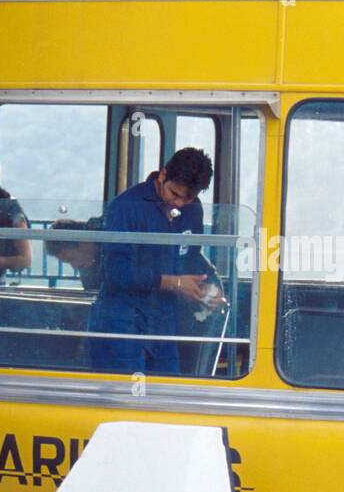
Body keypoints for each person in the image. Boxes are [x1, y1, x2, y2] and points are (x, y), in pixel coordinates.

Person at [88, 148, 223, 374]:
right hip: (122, 322)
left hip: (163, 324)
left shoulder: (193, 210)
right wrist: (174, 283)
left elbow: (190, 257)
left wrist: (203, 286)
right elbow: (116, 270)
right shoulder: (127, 206)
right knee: (127, 400)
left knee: (167, 395)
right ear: (162, 175)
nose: (179, 204)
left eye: (188, 198)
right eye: (174, 194)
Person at [47, 218, 102, 291]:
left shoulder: (111, 249)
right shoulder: (87, 264)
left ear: (84, 244)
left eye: (72, 259)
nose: (74, 267)